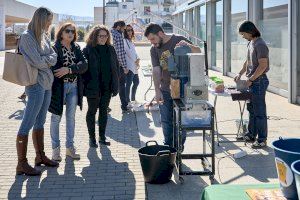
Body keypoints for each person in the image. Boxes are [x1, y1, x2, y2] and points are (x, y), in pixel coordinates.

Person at [16, 7, 59, 176]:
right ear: (41, 19)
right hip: (35, 85)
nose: (50, 24)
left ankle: (40, 157)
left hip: (47, 83)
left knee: (40, 122)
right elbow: (36, 61)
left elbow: (53, 56)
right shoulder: (27, 37)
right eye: (48, 20)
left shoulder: (44, 36)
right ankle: (21, 163)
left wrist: (46, 59)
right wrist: (47, 60)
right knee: (27, 123)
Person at [144, 23, 201, 149]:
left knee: (181, 120)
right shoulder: (154, 49)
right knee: (166, 120)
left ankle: (179, 147)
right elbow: (156, 70)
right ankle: (168, 147)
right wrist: (157, 91)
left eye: (153, 39)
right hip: (165, 89)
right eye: (149, 40)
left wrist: (189, 46)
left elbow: (198, 51)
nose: (152, 42)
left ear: (160, 34)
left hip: (183, 89)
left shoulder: (179, 39)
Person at [48, 22, 88, 161]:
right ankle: (55, 150)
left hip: (74, 86)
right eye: (67, 31)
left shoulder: (76, 47)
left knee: (70, 118)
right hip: (59, 87)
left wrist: (69, 69)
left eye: (72, 31)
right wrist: (71, 68)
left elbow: (84, 65)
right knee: (56, 118)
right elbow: (54, 68)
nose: (70, 33)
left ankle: (69, 148)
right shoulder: (55, 47)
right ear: (61, 32)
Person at [235, 21, 270, 148]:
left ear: (250, 32)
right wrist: (240, 73)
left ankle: (261, 139)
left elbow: (263, 65)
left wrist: (251, 80)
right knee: (252, 110)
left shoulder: (260, 44)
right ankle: (251, 134)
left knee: (259, 112)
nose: (243, 37)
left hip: (259, 82)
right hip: (253, 81)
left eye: (243, 34)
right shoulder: (251, 43)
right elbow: (248, 61)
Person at [83, 25, 119, 147]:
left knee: (104, 112)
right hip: (93, 87)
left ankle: (102, 137)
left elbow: (115, 68)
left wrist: (116, 85)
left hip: (107, 87)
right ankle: (91, 138)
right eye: (100, 36)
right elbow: (83, 70)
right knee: (92, 111)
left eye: (105, 36)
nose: (103, 38)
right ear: (95, 36)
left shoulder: (111, 49)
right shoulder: (88, 49)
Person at [111, 20, 129, 113]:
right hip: (118, 66)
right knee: (121, 86)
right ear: (118, 26)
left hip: (109, 64)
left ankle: (103, 105)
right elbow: (120, 53)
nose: (123, 30)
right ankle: (124, 106)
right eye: (123, 28)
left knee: (109, 85)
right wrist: (125, 67)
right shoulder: (118, 36)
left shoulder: (109, 33)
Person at [123, 24, 140, 106]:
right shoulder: (124, 41)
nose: (130, 32)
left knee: (136, 82)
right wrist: (135, 60)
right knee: (128, 85)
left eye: (131, 30)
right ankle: (127, 102)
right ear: (125, 32)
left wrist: (138, 59)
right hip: (129, 66)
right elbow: (128, 53)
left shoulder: (131, 41)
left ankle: (133, 99)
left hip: (134, 65)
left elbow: (134, 52)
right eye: (128, 30)